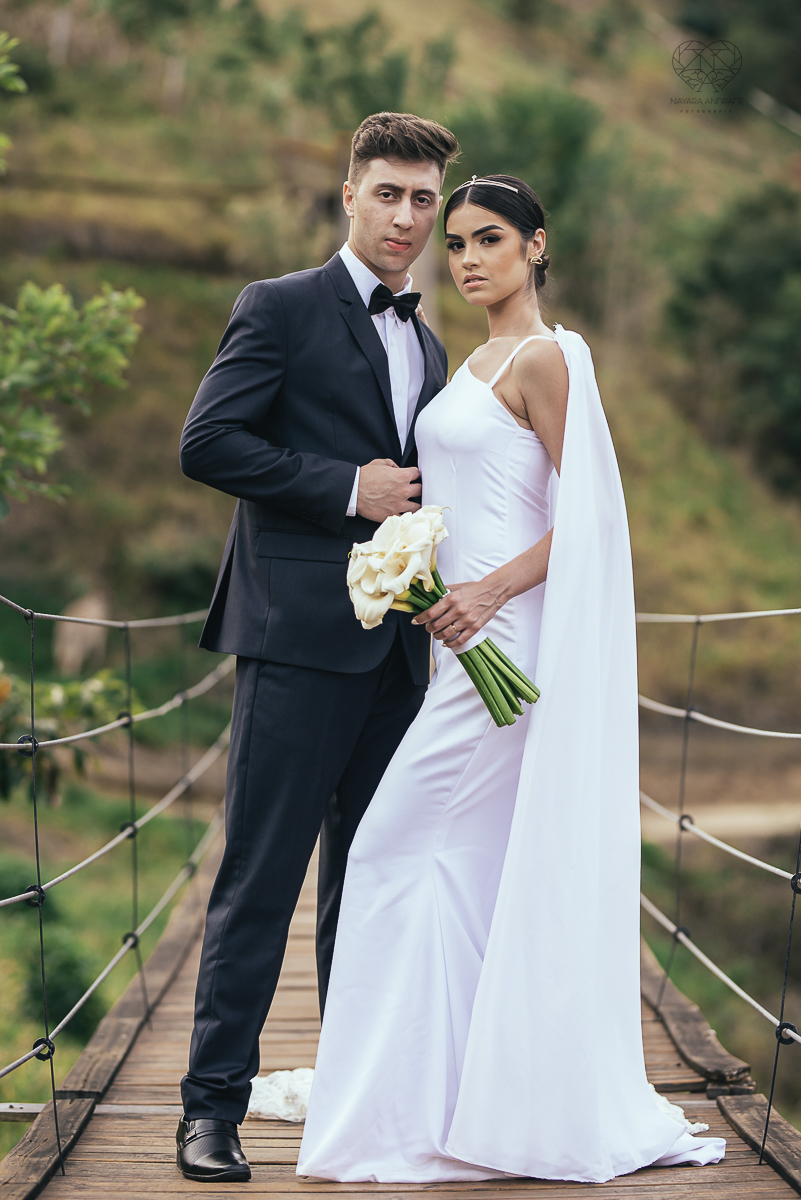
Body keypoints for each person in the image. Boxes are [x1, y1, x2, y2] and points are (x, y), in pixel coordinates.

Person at [296, 175, 727, 1183]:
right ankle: (455, 1104)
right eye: (456, 244)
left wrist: (484, 594)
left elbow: (589, 522)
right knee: (462, 872)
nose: (467, 258)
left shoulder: (547, 359)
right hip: (455, 649)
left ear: (538, 246)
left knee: (391, 850)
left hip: (510, 649)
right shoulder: (473, 358)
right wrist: (411, 567)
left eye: (490, 239)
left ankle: (404, 1115)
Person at [174, 112, 460, 1183]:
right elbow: (209, 441)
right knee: (261, 876)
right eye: (388, 192)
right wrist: (349, 489)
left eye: (424, 198)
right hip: (296, 641)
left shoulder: (426, 340)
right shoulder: (282, 307)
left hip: (397, 653)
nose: (406, 216)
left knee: (372, 879)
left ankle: (358, 1092)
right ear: (349, 195)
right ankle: (210, 1110)